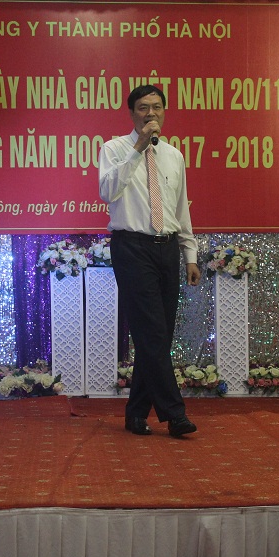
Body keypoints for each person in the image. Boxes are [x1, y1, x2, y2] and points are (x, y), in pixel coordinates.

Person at [99, 84, 201, 437]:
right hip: (132, 247)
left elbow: (180, 208)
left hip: (167, 247)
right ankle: (174, 414)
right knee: (153, 332)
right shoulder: (114, 149)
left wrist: (189, 254)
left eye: (157, 107)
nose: (150, 113)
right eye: (143, 107)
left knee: (157, 335)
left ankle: (136, 413)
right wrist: (138, 149)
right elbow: (107, 191)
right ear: (132, 113)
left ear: (164, 112)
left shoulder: (174, 156)